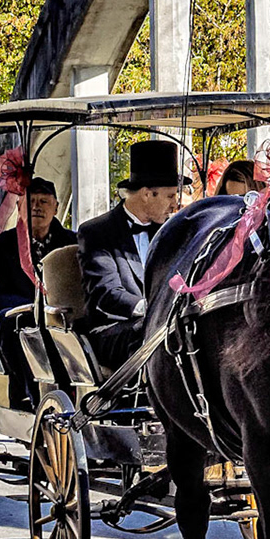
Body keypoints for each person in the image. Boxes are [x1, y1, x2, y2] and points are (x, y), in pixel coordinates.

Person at [78, 139, 183, 372]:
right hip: (112, 331)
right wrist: (153, 310)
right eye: (170, 196)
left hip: (162, 322)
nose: (175, 204)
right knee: (154, 331)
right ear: (147, 194)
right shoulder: (96, 232)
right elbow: (107, 293)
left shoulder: (171, 231)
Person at [0, 177, 74, 406]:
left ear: (56, 207)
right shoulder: (2, 244)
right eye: (31, 202)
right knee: (18, 324)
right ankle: (29, 393)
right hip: (18, 312)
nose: (37, 207)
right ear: (19, 207)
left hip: (62, 311)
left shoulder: (72, 242)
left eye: (44, 201)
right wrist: (31, 306)